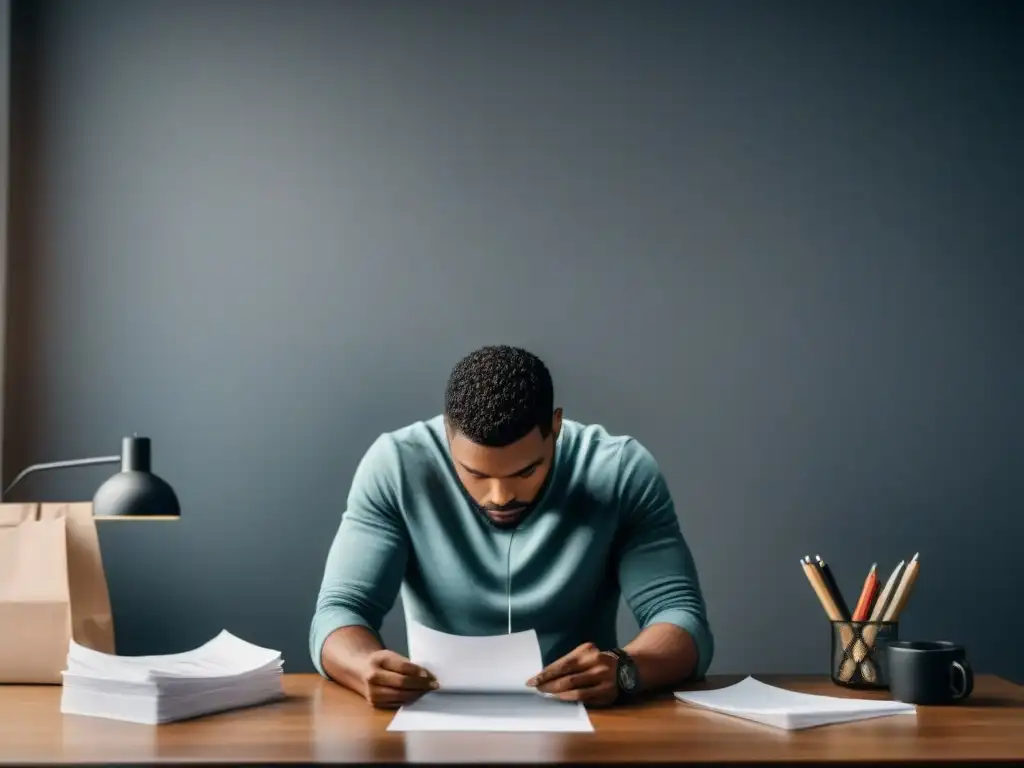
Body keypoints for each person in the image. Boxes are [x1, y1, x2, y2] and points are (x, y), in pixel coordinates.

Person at [309, 345, 712, 709]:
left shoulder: (620, 471)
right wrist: (362, 666)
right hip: (440, 719)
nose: (500, 496)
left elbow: (679, 615)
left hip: (586, 721)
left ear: (555, 426)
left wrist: (625, 667)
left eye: (527, 470)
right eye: (475, 473)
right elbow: (340, 610)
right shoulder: (396, 466)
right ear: (447, 433)